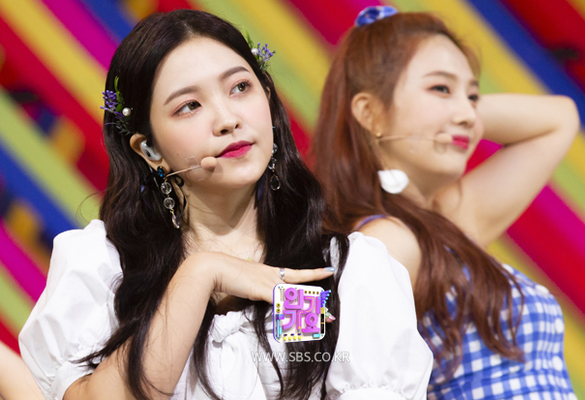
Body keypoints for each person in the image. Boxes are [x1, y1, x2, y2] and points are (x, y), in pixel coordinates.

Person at [19, 9, 432, 400]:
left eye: (239, 87)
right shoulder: (107, 266)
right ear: (149, 150)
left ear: (267, 99)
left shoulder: (334, 269)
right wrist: (202, 273)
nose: (227, 119)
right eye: (189, 106)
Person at [312, 6, 579, 399]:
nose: (469, 114)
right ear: (369, 112)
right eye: (440, 88)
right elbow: (337, 377)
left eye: (473, 96)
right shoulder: (385, 240)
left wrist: (451, 112)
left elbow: (560, 117)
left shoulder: (446, 222)